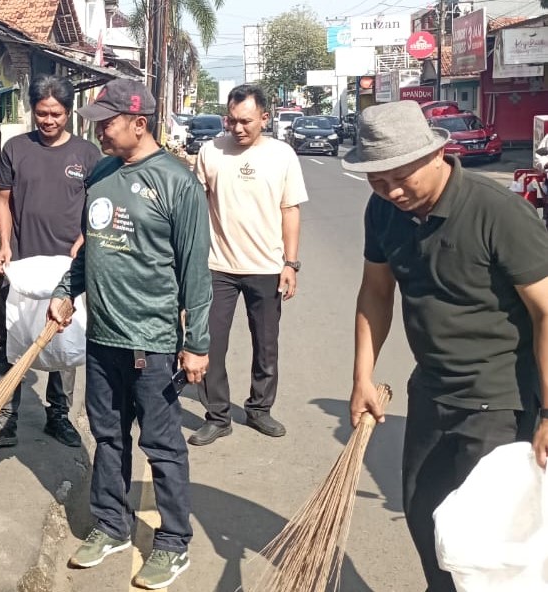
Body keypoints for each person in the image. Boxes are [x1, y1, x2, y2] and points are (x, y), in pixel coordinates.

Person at [343, 100, 548, 592]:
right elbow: (376, 290)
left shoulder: (497, 212)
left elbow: (546, 311)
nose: (391, 190)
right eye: (376, 179)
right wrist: (361, 378)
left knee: (485, 542)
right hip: (432, 393)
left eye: (400, 176)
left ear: (436, 154)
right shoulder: (384, 210)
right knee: (425, 515)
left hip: (501, 403)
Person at [48, 79, 211, 590]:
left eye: (107, 121)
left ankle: (173, 543)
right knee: (109, 436)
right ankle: (112, 526)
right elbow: (89, 247)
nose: (97, 129)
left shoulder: (176, 184)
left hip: (153, 342)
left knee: (162, 447)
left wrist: (197, 343)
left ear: (139, 124)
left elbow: (195, 272)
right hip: (104, 337)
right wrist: (64, 289)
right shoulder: (101, 172)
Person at [0, 74, 101, 449]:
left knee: (63, 341)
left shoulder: (87, 154)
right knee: (11, 338)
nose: (48, 121)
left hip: (69, 268)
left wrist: (85, 238)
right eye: (42, 113)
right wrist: (3, 244)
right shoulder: (16, 149)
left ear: (68, 113)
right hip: (20, 263)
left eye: (56, 114)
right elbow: (3, 201)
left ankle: (58, 416)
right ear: (32, 110)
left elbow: (97, 206)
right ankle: (4, 419)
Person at [188, 84, 308, 446]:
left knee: (266, 343)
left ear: (264, 119)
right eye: (232, 121)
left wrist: (290, 263)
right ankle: (217, 415)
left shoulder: (283, 155)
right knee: (211, 344)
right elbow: (196, 206)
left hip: (267, 266)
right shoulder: (210, 152)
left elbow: (290, 210)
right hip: (217, 266)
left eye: (246, 122)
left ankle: (259, 409)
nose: (238, 129)